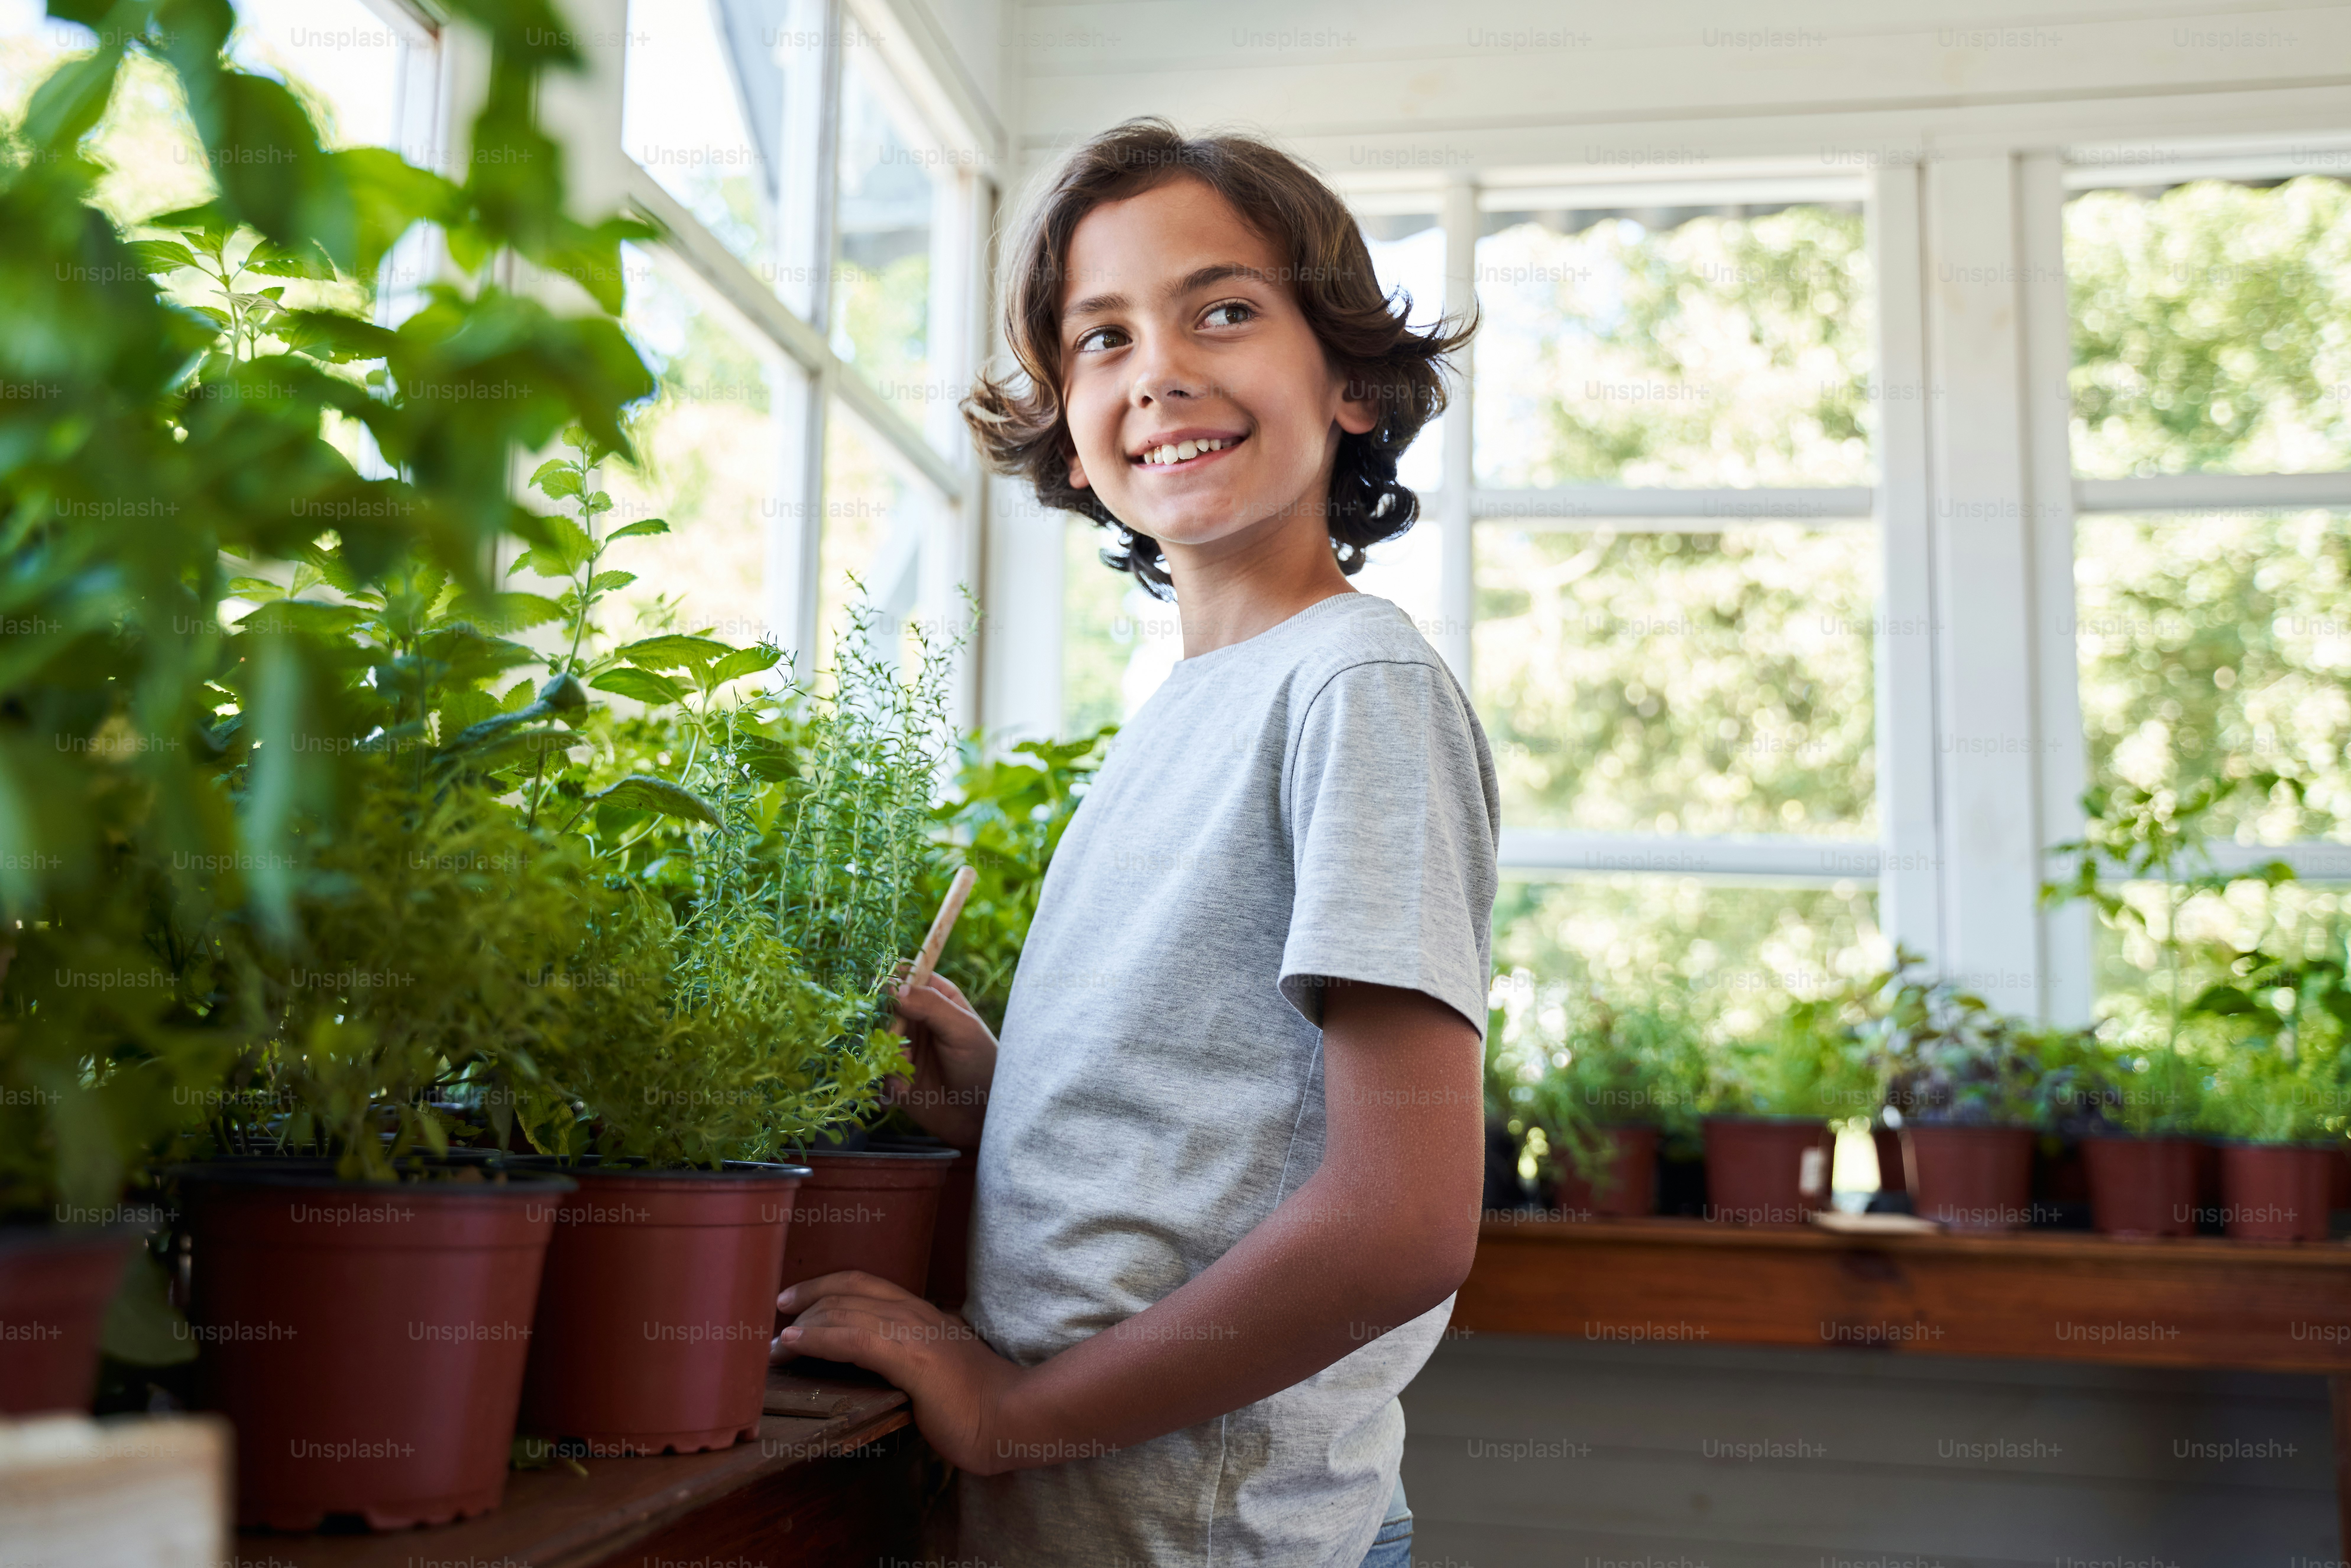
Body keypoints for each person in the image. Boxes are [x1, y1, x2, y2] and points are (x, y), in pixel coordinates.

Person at [772, 116, 1497, 1568]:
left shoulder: (1355, 686)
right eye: (1098, 338)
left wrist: (1007, 1416)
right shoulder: (1177, 713)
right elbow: (1231, 1126)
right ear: (1066, 414)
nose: (1156, 369)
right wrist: (1008, 1097)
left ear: (1351, 379)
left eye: (1220, 310)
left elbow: (1402, 1220)